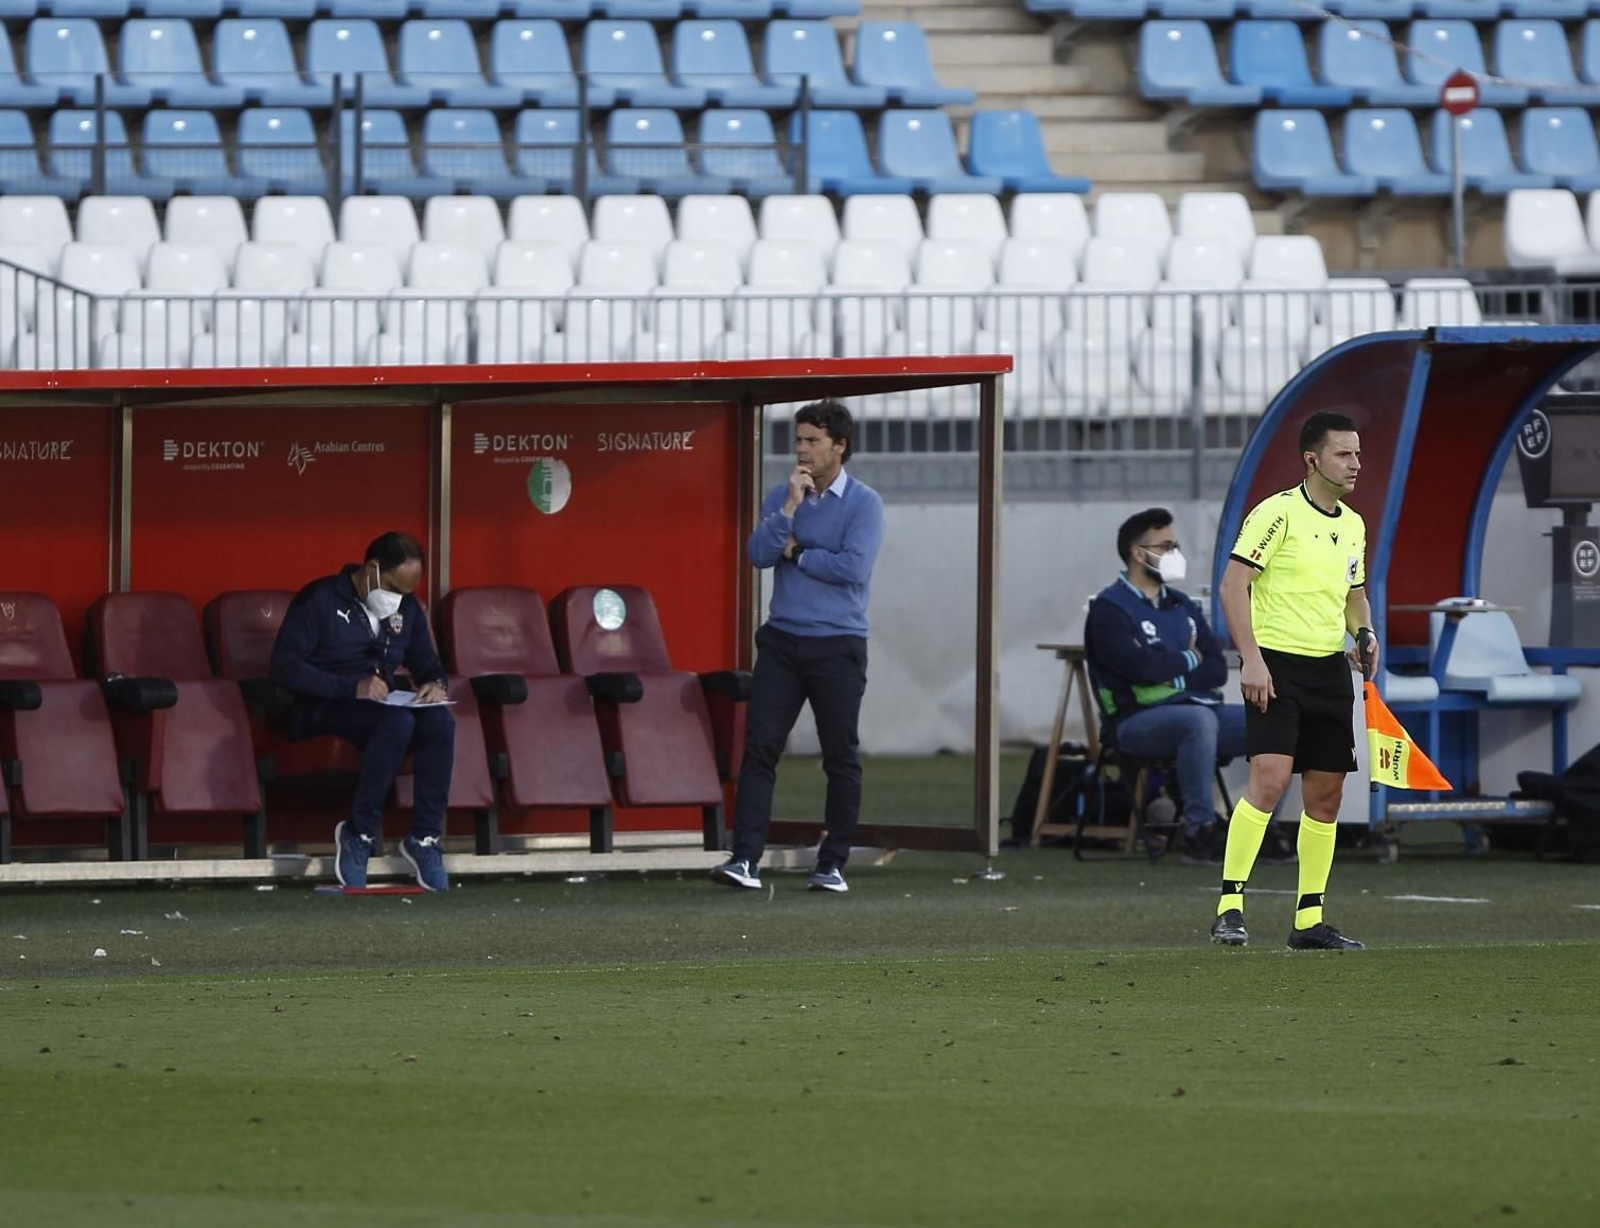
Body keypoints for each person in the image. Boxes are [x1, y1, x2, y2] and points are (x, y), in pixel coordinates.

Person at [1212, 412, 1374, 950]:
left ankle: (1308, 921)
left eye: (1357, 453)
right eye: (1344, 454)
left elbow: (1354, 595)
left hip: (1330, 670)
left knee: (1326, 798)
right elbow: (1234, 585)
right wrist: (1251, 660)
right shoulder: (1275, 514)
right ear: (1312, 459)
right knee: (1269, 781)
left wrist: (1365, 634)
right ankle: (1229, 906)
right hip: (1277, 667)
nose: (1356, 464)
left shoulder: (1352, 523)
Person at [712, 401, 885, 894]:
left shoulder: (865, 504)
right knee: (760, 749)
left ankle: (832, 864)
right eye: (799, 440)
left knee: (840, 756)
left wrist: (800, 551)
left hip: (838, 645)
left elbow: (852, 567)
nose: (803, 450)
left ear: (839, 446)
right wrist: (788, 509)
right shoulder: (781, 495)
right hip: (783, 642)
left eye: (812, 440)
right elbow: (759, 554)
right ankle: (744, 858)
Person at [1084, 508, 1289, 866]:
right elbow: (1139, 669)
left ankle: (1258, 829)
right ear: (1137, 553)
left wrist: (1171, 665)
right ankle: (1199, 833)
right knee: (1197, 721)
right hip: (1134, 722)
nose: (1174, 555)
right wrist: (1187, 660)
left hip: (1198, 710)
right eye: (1165, 546)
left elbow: (1215, 670)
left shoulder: (1182, 606)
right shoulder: (1109, 610)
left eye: (1175, 545)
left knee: (1277, 721)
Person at [271, 531, 455, 892]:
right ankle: (359, 832)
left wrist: (436, 684)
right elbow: (285, 667)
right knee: (397, 721)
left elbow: (427, 664)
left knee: (439, 721)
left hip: (380, 706)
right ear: (371, 569)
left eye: (406, 592)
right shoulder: (320, 599)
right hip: (321, 707)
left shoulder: (408, 609)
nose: (398, 599)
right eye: (393, 587)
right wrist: (349, 688)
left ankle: (424, 837)